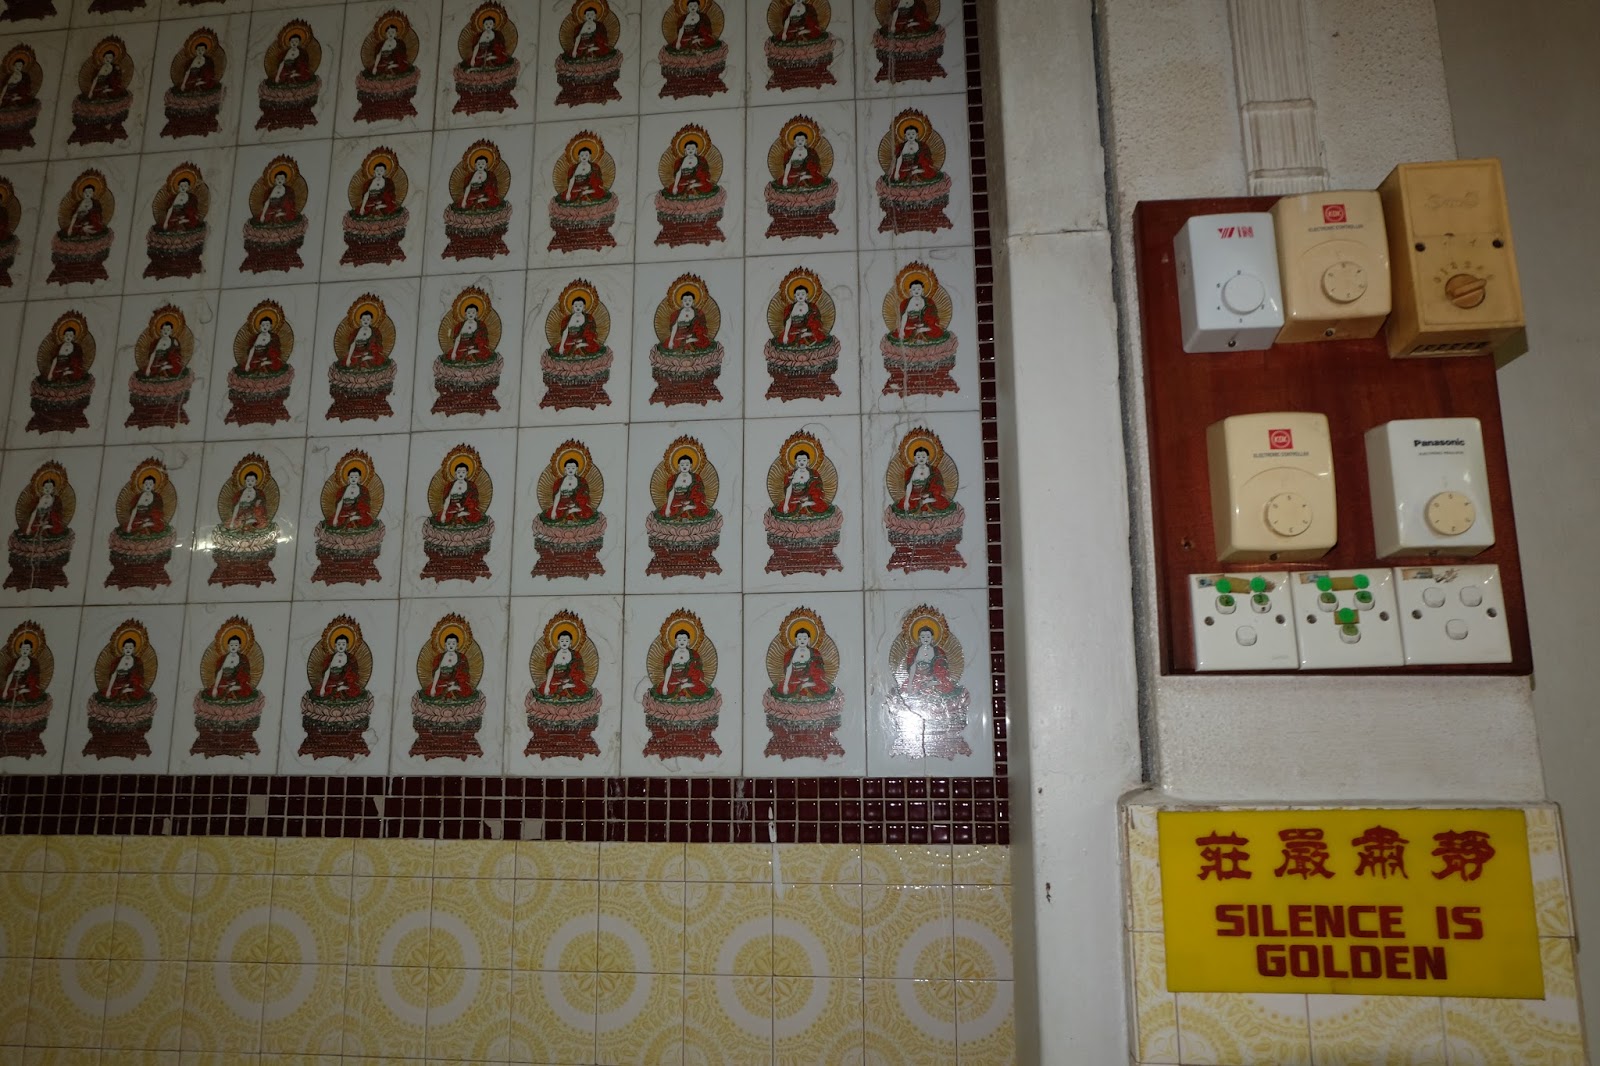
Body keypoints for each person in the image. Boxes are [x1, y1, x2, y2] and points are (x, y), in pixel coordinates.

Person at [899, 626, 958, 696]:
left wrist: (932, 678)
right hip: (918, 677)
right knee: (907, 689)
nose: (925, 639)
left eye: (928, 637)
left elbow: (943, 668)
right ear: (919, 638)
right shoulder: (914, 652)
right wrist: (910, 683)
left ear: (932, 637)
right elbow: (912, 668)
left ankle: (931, 684)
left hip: (934, 677)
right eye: (923, 637)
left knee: (946, 686)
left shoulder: (938, 651)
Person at [900, 446, 950, 512]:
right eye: (918, 457)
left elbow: (937, 485)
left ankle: (927, 501)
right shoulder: (910, 471)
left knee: (942, 503)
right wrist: (906, 501)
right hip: (915, 495)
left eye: (923, 457)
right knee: (905, 506)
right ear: (915, 458)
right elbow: (909, 486)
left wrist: (929, 493)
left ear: (927, 458)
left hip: (930, 495)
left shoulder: (933, 470)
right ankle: (922, 502)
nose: (921, 459)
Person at [540, 631, 589, 698]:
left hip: (569, 679)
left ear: (570, 642)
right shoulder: (552, 655)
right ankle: (563, 687)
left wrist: (569, 679)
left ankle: (563, 688)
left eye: (567, 641)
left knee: (582, 688)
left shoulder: (575, 655)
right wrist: (547, 685)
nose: (564, 643)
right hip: (556, 679)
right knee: (543, 688)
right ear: (558, 641)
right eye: (562, 641)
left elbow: (577, 671)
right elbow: (550, 670)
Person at [658, 629, 706, 697]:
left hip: (689, 679)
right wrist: (665, 685)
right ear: (676, 641)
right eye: (679, 640)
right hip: (675, 679)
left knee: (700, 688)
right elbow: (668, 669)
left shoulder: (693, 654)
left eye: (684, 640)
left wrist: (688, 679)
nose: (682, 641)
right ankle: (682, 686)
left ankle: (686, 685)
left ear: (688, 641)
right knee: (662, 690)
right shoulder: (670, 654)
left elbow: (697, 669)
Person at [779, 629, 828, 696]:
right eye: (800, 639)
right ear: (796, 639)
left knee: (823, 688)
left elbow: (818, 672)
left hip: (810, 680)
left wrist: (809, 682)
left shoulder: (814, 653)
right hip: (795, 680)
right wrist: (785, 685)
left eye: (805, 638)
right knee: (781, 689)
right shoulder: (790, 653)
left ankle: (806, 685)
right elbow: (789, 669)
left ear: (808, 639)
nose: (802, 641)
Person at [427, 633, 473, 697]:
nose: (451, 646)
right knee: (430, 691)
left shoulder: (461, 657)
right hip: (442, 682)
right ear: (445, 645)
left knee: (466, 690)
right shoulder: (439, 657)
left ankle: (452, 688)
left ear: (457, 645)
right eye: (449, 643)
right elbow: (437, 672)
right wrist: (433, 687)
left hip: (455, 682)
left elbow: (464, 673)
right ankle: (449, 688)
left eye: (453, 644)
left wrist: (456, 682)